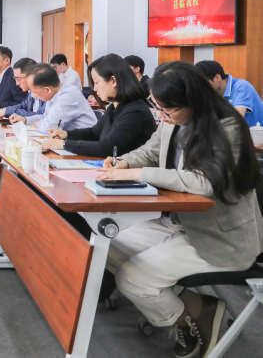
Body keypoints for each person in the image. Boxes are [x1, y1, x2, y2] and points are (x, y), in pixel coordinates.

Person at [97, 61, 263, 358]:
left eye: (167, 110)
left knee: (132, 279)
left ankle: (185, 320)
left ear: (193, 100)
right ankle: (199, 307)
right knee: (105, 245)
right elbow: (150, 150)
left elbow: (205, 182)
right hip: (177, 222)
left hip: (220, 235)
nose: (162, 116)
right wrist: (124, 162)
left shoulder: (227, 127)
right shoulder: (173, 119)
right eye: (158, 108)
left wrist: (140, 174)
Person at [42, 54, 156, 156]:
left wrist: (64, 144)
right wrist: (66, 134)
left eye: (97, 82)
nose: (95, 89)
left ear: (113, 81)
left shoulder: (135, 111)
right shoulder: (115, 106)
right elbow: (95, 133)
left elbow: (107, 148)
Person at [10, 63, 96, 131]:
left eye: (35, 92)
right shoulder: (54, 94)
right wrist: (25, 120)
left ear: (47, 90)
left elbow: (49, 126)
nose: (33, 95)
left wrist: (38, 124)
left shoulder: (68, 95)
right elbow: (46, 117)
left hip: (85, 142)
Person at [195, 60, 263, 128]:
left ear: (217, 78)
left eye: (203, 82)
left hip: (255, 133)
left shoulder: (242, 87)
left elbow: (235, 119)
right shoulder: (211, 93)